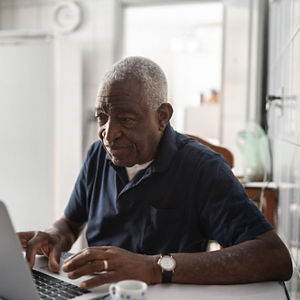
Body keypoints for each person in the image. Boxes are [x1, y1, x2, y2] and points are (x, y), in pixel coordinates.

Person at [18, 56, 292, 289]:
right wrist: (54, 235)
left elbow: (274, 256)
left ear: (163, 117)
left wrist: (155, 267)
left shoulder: (203, 169)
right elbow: (70, 222)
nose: (109, 134)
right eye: (102, 117)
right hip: (95, 292)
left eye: (125, 119)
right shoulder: (97, 155)